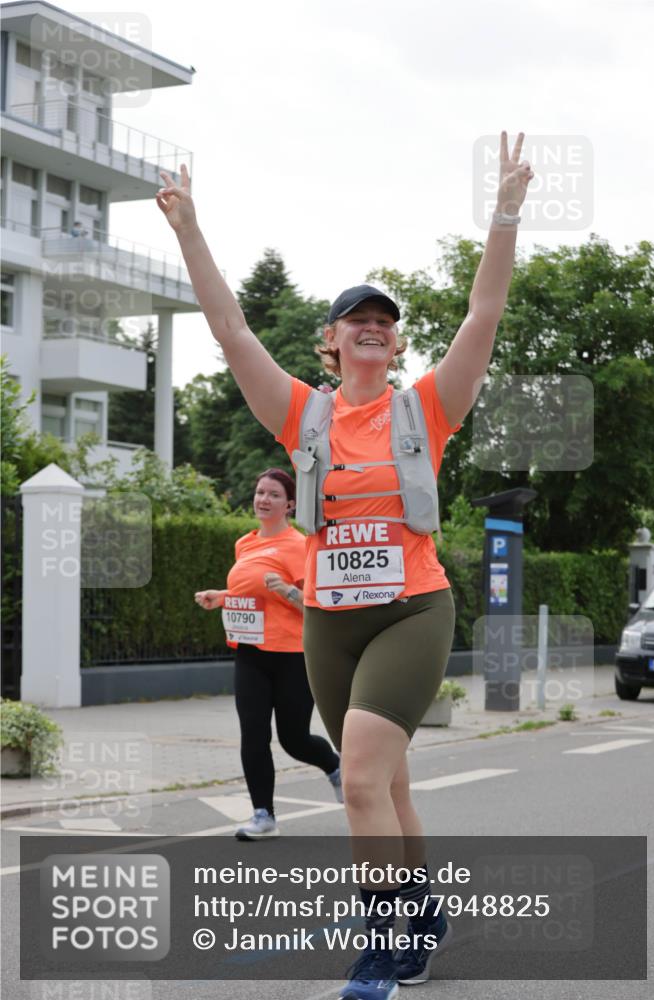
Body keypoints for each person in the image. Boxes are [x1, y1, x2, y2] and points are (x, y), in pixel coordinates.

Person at [158, 130, 534, 997]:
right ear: (329, 340)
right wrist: (188, 231)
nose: (373, 326)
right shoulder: (303, 416)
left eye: (385, 322)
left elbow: (482, 314)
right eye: (357, 319)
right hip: (328, 623)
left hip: (411, 610)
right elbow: (229, 327)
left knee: (358, 777)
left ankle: (377, 948)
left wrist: (505, 213)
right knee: (387, 790)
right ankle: (423, 914)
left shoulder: (426, 407)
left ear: (395, 347)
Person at [194, 467, 342, 841]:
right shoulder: (244, 544)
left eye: (274, 494)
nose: (264, 499)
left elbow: (318, 608)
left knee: (294, 740)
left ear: (289, 504)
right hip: (250, 653)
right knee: (253, 733)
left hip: (293, 655)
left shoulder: (300, 545)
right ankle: (264, 816)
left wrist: (288, 592)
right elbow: (250, 593)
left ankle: (334, 766)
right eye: (260, 492)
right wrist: (221, 597)